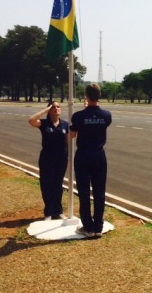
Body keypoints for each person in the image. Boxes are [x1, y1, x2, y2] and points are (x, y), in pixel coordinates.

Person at [70, 84, 112, 237]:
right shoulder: (107, 115)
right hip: (99, 155)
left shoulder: (78, 116)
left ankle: (88, 227)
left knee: (84, 191)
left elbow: (73, 135)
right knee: (99, 191)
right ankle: (98, 226)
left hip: (83, 155)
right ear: (99, 95)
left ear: (86, 96)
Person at [28, 101, 69, 220]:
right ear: (49, 110)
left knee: (58, 184)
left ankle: (58, 211)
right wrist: (45, 110)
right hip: (47, 158)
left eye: (58, 107)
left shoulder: (65, 125)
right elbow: (31, 120)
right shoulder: (45, 123)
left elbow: (67, 142)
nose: (56, 109)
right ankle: (49, 212)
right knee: (47, 184)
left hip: (61, 158)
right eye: (53, 107)